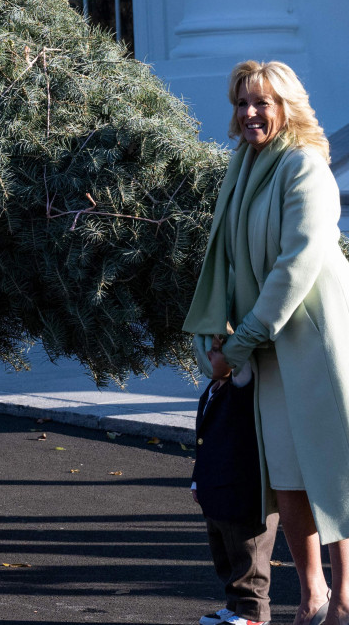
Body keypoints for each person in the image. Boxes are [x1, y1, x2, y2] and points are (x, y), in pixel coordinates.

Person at [184, 60, 349, 625]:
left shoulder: (305, 167)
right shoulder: (244, 166)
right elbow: (229, 261)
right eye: (240, 103)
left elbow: (295, 265)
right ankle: (312, 596)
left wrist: (242, 340)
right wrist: (221, 333)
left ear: (288, 107)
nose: (249, 113)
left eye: (262, 102)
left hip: (314, 341)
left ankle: (346, 597)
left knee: (331, 470)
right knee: (286, 477)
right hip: (267, 347)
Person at [193, 334, 279, 625]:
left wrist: (235, 341)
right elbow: (203, 441)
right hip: (215, 489)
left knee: (248, 553)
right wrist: (197, 482)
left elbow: (242, 358)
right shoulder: (211, 390)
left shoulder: (242, 386)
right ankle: (235, 605)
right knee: (224, 553)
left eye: (217, 351)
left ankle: (253, 611)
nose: (209, 355)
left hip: (243, 490)